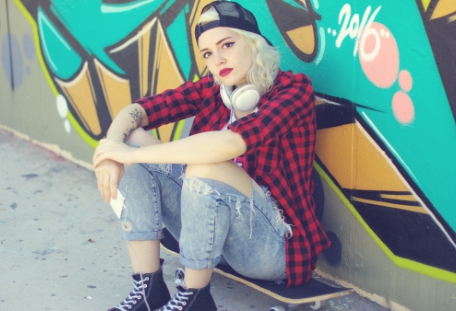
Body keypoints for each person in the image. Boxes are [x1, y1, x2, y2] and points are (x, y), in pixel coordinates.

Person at [92, 1, 330, 310]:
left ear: (253, 42)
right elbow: (137, 112)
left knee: (205, 162)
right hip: (216, 238)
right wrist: (113, 151)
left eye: (227, 44)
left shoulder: (293, 89)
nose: (217, 60)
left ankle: (194, 297)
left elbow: (230, 144)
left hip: (273, 249)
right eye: (207, 54)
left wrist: (131, 155)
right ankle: (148, 288)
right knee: (132, 139)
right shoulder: (212, 89)